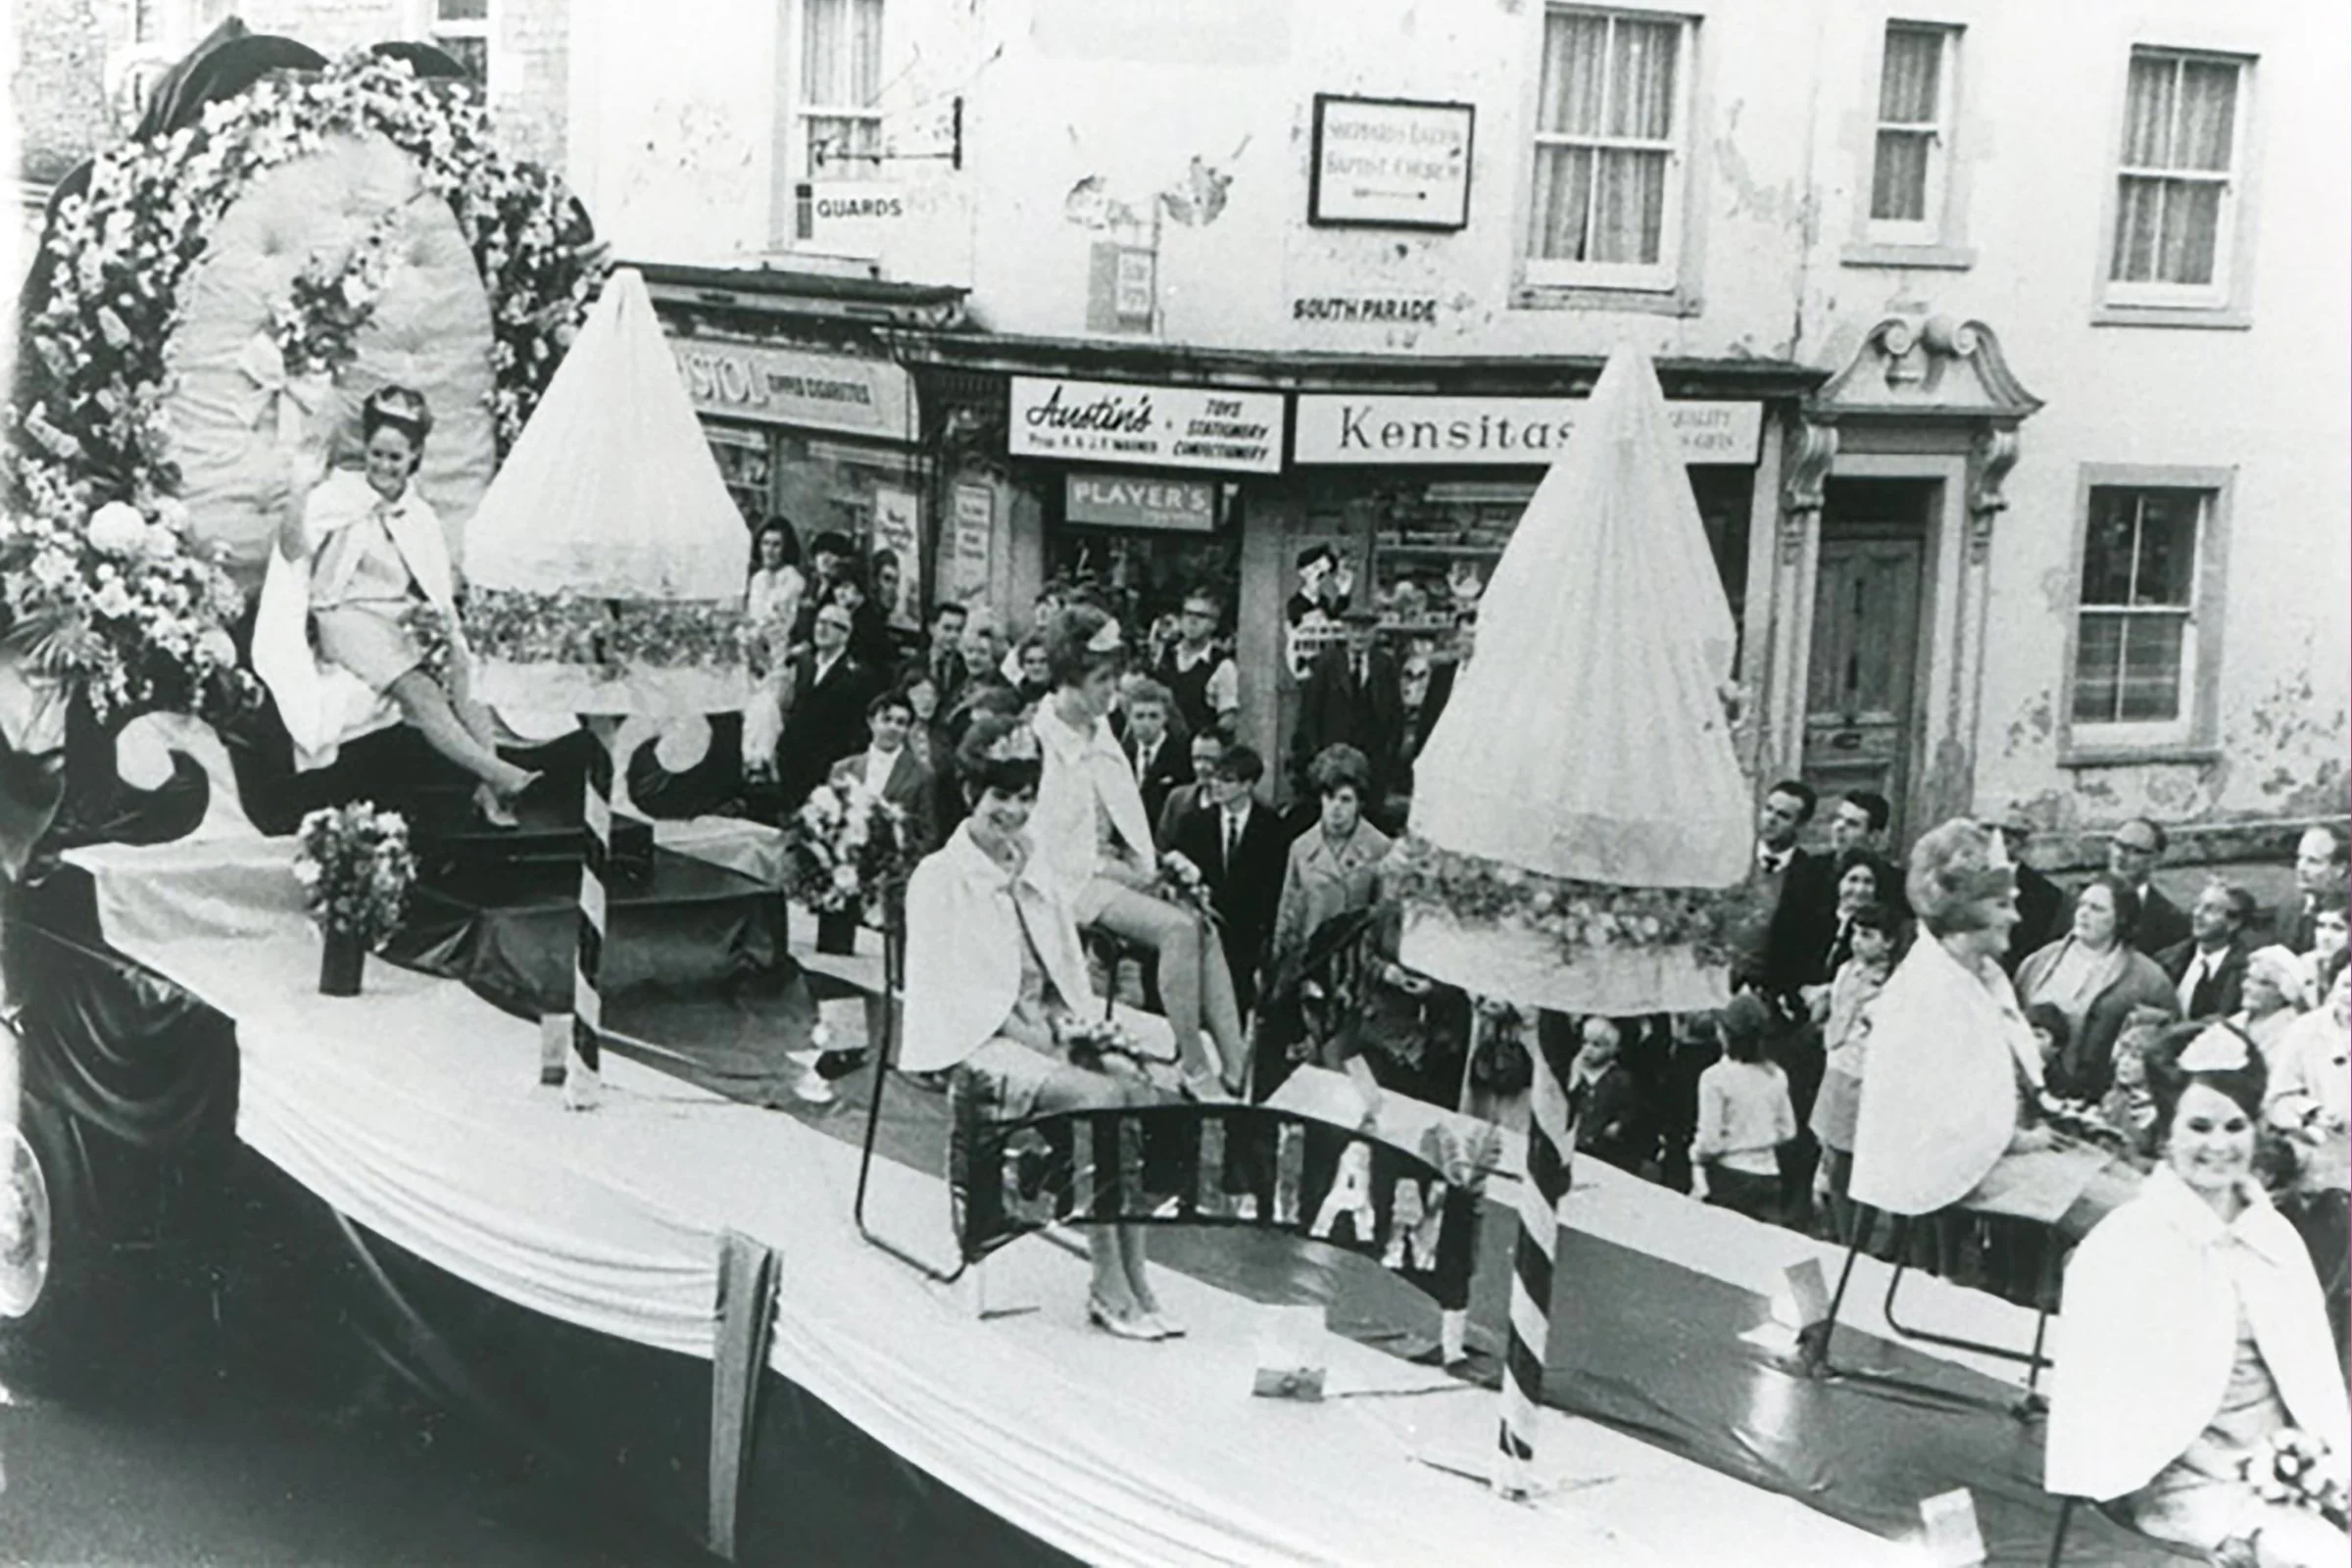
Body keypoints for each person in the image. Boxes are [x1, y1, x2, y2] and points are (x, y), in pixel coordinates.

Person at [898, 716, 1183, 1341]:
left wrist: (1075, 1033)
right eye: (1001, 796)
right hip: (981, 1042)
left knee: (1136, 1087)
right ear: (972, 792)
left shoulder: (1034, 866)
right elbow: (953, 994)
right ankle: (1107, 1278)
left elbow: (1061, 972)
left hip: (1045, 1029)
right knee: (1102, 1097)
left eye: (1026, 798)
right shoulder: (940, 878)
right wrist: (1043, 1040)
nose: (1014, 811)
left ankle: (1133, 1270)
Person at [2046, 1022, 2349, 1568]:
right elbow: (2107, 1411)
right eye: (2199, 1126)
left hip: (2291, 1472)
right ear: (2166, 1135)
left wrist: (2323, 1474)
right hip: (2185, 1483)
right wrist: (2250, 1497)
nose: (2218, 1145)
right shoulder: (2124, 1243)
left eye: (2235, 1126)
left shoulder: (2275, 1238)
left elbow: (2315, 1385)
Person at [1850, 818, 2142, 1246]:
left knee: (2142, 1185)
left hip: (1996, 1144)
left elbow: (2016, 1081)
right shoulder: (1927, 989)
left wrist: (2068, 1123)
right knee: (2134, 1218)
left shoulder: (1980, 974)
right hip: (1943, 1164)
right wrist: (2026, 1138)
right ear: (1967, 908)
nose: (2017, 916)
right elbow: (1935, 1115)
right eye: (2003, 905)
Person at [274, 385, 536, 823]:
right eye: (377, 454)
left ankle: (491, 789)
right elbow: (291, 549)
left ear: (414, 458)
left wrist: (442, 630)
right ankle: (499, 774)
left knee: (462, 665)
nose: (383, 466)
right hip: (345, 617)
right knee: (420, 691)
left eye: (395, 458)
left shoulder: (419, 514)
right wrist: (299, 490)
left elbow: (432, 584)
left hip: (396, 617)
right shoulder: (336, 498)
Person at [1028, 605, 1247, 1100]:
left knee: (1202, 920)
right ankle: (1193, 1064)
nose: (1114, 691)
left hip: (1113, 869)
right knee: (1176, 928)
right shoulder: (1043, 738)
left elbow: (1124, 816)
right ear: (1072, 675)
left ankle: (1236, 1068)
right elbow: (1055, 847)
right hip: (1074, 881)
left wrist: (1152, 868)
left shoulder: (1099, 729)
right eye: (1103, 679)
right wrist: (1127, 874)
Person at [2017, 874, 2180, 1102]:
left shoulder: (2149, 980)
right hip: (2031, 1091)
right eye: (2082, 905)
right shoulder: (2038, 963)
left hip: (2099, 1101)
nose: (2084, 913)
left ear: (2120, 919)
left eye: (2097, 909)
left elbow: (2163, 1049)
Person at [1168, 743, 1286, 1016]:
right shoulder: (1193, 823)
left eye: (1227, 780)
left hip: (1245, 942)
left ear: (1247, 785)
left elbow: (1274, 889)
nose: (1216, 785)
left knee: (1234, 1012)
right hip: (1201, 935)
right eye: (1216, 777)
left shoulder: (1271, 828)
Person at [1270, 744, 1394, 983]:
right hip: (1312, 972)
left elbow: (1385, 921)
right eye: (1329, 798)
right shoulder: (1302, 848)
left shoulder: (1380, 848)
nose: (1336, 808)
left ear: (1360, 803)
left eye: (1345, 799)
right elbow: (1287, 919)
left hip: (1360, 975)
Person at [1811, 901, 1896, 1246]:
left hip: (1866, 1079)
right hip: (1837, 1069)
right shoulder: (1846, 970)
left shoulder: (1893, 983)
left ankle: (1857, 1239)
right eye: (1855, 934)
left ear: (1888, 942)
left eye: (1868, 935)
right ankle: (1840, 1230)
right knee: (1832, 1156)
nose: (1858, 942)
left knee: (1855, 1163)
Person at [1693, 994, 1795, 1224]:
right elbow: (1788, 1130)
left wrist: (1696, 1155)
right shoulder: (1776, 1075)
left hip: (1729, 1175)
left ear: (1725, 1033)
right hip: (1768, 1174)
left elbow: (1710, 1141)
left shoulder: (1714, 1078)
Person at [1291, 609, 1402, 812]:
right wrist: (1317, 756)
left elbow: (1395, 717)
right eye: (1354, 629)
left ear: (1374, 632)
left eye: (1366, 630)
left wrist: (1387, 760)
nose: (1359, 636)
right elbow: (1309, 715)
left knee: (1370, 817)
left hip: (1372, 764)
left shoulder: (1385, 666)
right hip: (1332, 761)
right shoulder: (1326, 664)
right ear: (1345, 631)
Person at [776, 601, 878, 810]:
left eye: (832, 624)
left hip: (827, 764)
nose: (822, 628)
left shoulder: (857, 676)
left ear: (845, 634)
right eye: (820, 622)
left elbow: (857, 727)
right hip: (793, 760)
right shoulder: (803, 663)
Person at [827, 687, 937, 856]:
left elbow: (929, 837)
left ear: (908, 729)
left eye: (901, 723)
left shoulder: (922, 775)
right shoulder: (843, 769)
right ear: (871, 722)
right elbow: (829, 821)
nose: (892, 728)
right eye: (886, 720)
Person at [740, 516, 807, 785]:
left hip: (780, 661)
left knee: (765, 708)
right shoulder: (757, 580)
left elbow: (776, 624)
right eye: (765, 543)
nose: (769, 550)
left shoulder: (793, 581)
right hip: (753, 658)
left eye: (776, 545)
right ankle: (746, 767)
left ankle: (762, 765)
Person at [2159, 881, 2257, 1022]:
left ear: (2233, 923)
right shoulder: (2168, 960)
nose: (2197, 914)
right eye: (2197, 906)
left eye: (2209, 909)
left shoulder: (2247, 972)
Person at [1154, 587, 1240, 741]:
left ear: (1213, 624)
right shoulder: (1166, 656)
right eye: (1188, 614)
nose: (1192, 621)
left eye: (1201, 616)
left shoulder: (1222, 665)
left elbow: (1229, 719)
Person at [1992, 803, 2068, 975]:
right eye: (1999, 831)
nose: (2005, 839)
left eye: (2014, 834)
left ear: (2025, 841)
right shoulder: (1968, 882)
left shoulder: (2046, 895)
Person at [1572, 1016, 1647, 1176]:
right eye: (1585, 1042)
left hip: (1605, 1150)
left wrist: (1619, 1124)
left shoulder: (1620, 1079)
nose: (1588, 1049)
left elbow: (1631, 1109)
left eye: (1597, 1045)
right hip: (1576, 1144)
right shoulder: (1574, 1074)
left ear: (1612, 1049)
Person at [2108, 817, 2193, 956]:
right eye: (2118, 845)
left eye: (2134, 851)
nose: (2120, 856)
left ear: (2155, 859)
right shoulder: (2074, 898)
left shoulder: (2172, 922)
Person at [1118, 677, 1191, 834]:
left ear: (1165, 718)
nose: (1146, 723)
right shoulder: (1120, 755)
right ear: (1129, 719)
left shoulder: (1182, 755)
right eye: (1139, 716)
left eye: (1153, 716)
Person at [2233, 946, 2317, 1064]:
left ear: (2284, 993)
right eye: (2248, 977)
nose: (2246, 986)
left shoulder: (2294, 1034)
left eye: (2262, 983)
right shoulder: (2234, 1022)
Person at [1154, 727, 1227, 850]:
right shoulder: (1177, 799)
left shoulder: (1236, 804)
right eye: (1196, 759)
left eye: (1210, 760)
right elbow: (1161, 847)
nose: (1201, 767)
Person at [2288, 827, 2348, 954]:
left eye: (2313, 861)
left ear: (2340, 868)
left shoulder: (2347, 911)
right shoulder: (2289, 909)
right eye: (2300, 857)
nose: (2301, 867)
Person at [917, 601, 970, 711]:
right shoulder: (910, 667)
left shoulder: (968, 669)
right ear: (931, 628)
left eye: (959, 630)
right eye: (947, 628)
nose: (953, 636)